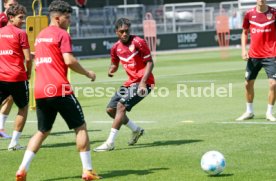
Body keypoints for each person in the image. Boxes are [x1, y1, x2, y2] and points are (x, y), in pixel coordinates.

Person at [15, 1, 101, 180]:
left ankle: (22, 169)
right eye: (67, 18)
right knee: (80, 127)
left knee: (42, 131)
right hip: (59, 89)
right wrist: (87, 73)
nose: (69, 21)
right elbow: (69, 60)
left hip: (40, 90)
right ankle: (88, 170)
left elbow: (40, 59)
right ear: (57, 18)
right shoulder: (62, 34)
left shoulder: (40, 36)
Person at [94, 18, 155, 152]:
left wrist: (143, 83)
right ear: (116, 32)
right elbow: (114, 64)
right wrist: (112, 70)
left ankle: (110, 143)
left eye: (126, 31)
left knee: (121, 106)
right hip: (130, 82)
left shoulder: (139, 42)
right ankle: (136, 130)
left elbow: (150, 63)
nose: (124, 34)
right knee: (111, 109)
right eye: (121, 31)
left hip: (144, 83)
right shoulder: (115, 48)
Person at [236, 0, 276, 121]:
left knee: (273, 83)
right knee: (248, 84)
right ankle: (249, 111)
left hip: (271, 54)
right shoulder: (249, 14)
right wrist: (243, 50)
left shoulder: (274, 13)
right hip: (254, 55)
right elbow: (244, 32)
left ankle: (269, 112)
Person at [0, 3, 32, 150]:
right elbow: (28, 59)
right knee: (23, 108)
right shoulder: (21, 33)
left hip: (1, 77)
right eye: (20, 17)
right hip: (18, 78)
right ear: (11, 17)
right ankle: (14, 143)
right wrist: (29, 72)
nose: (23, 20)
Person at [0, 0, 18, 139]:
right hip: (2, 62)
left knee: (11, 96)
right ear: (5, 5)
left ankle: (0, 128)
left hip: (8, 63)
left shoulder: (14, 21)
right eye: (11, 4)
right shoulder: (1, 19)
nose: (13, 7)